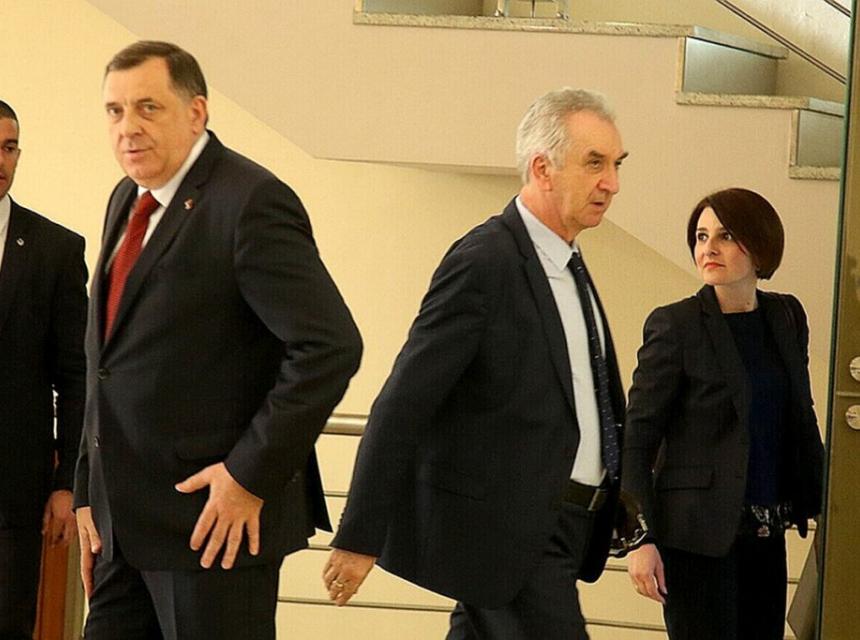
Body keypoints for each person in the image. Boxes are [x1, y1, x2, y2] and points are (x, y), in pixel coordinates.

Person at [73, 41, 362, 640]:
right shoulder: (127, 197)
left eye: (148, 107)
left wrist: (248, 476)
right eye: (114, 111)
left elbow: (330, 347)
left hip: (213, 529)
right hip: (121, 528)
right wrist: (86, 492)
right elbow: (106, 361)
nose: (128, 127)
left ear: (196, 112)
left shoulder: (249, 201)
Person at [324, 87, 628, 639]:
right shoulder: (486, 261)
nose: (611, 182)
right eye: (594, 163)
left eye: (615, 164)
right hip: (509, 531)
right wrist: (359, 534)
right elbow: (403, 402)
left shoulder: (569, 261)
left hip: (567, 525)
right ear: (543, 168)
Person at [622, 188, 825, 640]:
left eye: (725, 235)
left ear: (760, 246)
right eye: (701, 236)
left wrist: (828, 502)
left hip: (767, 533)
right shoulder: (675, 325)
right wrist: (640, 538)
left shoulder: (787, 316)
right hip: (694, 539)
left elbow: (800, 415)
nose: (708, 248)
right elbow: (636, 439)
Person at [0, 100, 88, 639]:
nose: (0, 160)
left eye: (9, 148)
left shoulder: (55, 249)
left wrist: (67, 485)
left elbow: (76, 377)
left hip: (13, 493)